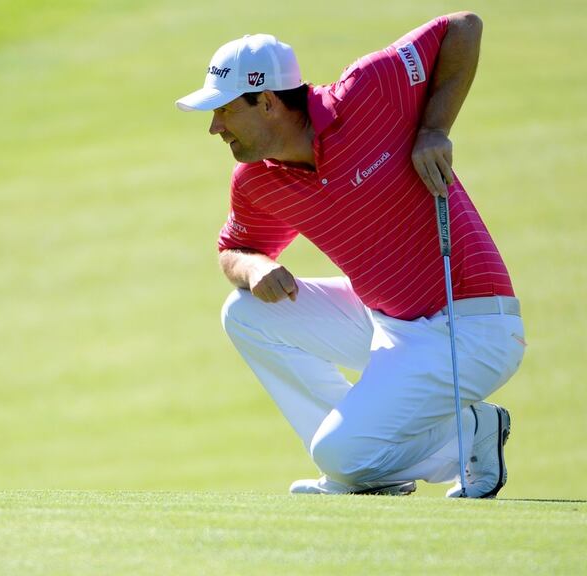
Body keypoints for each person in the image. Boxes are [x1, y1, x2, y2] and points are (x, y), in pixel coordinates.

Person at [175, 13, 525, 497]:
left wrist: (433, 130)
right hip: (392, 326)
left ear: (268, 102)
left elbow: (463, 28)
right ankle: (368, 467)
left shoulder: (369, 89)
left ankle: (441, 441)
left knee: (337, 454)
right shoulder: (258, 181)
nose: (214, 127)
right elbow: (235, 249)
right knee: (245, 311)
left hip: (471, 326)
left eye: (225, 110)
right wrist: (255, 268)